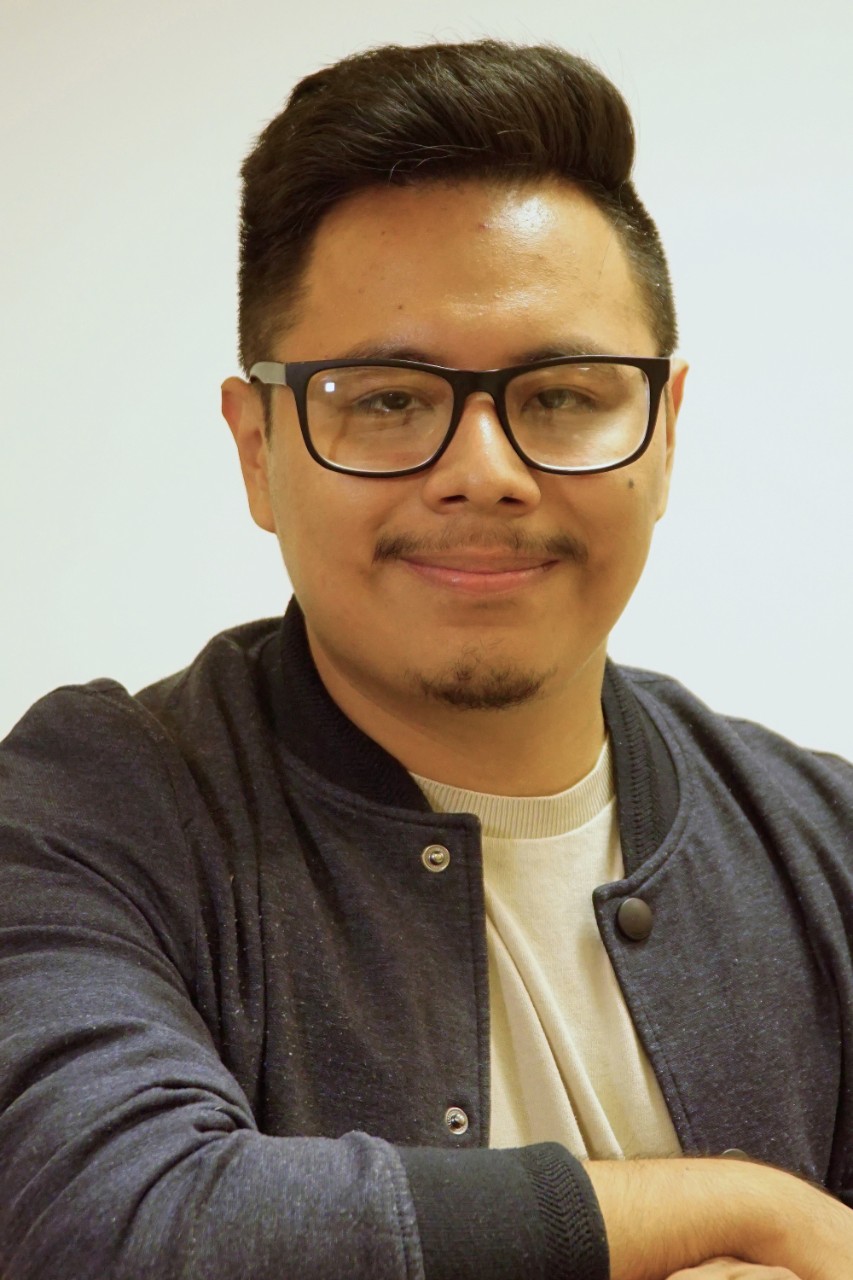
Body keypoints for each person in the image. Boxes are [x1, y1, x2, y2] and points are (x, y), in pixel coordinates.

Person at [0, 38, 852, 1280]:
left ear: (663, 435)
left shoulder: (823, 845)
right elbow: (106, 1222)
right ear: (259, 448)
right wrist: (737, 1210)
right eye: (388, 398)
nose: (485, 471)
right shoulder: (89, 812)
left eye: (562, 394)